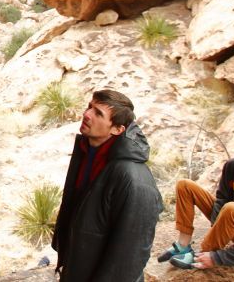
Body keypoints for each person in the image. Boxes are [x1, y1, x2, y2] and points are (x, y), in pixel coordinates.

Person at [51, 89, 163, 282]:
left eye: (98, 113)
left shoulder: (134, 182)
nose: (87, 114)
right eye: (89, 107)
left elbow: (129, 257)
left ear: (118, 129)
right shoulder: (87, 151)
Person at [157, 136, 234, 270]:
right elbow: (222, 198)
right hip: (231, 220)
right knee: (185, 185)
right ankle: (183, 245)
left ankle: (201, 256)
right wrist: (219, 228)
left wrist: (217, 257)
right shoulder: (232, 167)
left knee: (232, 208)